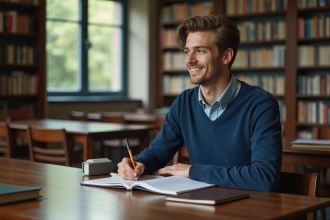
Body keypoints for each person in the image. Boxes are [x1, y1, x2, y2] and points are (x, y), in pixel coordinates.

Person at [118, 15, 282, 192]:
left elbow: (264, 177)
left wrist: (193, 171)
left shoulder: (261, 104)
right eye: (187, 51)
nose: (189, 60)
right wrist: (137, 164)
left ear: (226, 56)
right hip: (201, 203)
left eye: (200, 51)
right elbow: (158, 154)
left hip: (249, 208)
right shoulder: (184, 102)